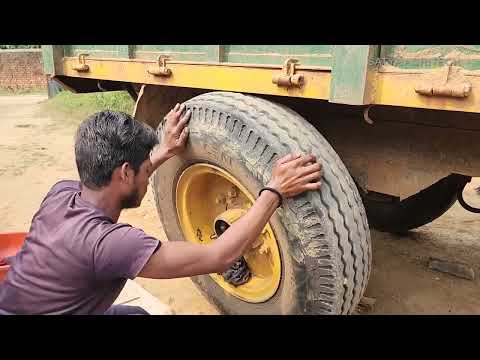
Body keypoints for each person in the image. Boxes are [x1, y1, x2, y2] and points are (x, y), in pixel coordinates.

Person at [0, 103, 322, 315]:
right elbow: (218, 257)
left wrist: (163, 152)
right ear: (125, 173)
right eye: (142, 169)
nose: (146, 174)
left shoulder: (62, 193)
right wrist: (275, 190)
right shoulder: (110, 245)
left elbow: (121, 182)